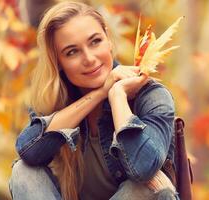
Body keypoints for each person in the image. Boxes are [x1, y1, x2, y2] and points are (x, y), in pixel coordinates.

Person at [9, 1, 177, 200]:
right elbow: (29, 151)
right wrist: (99, 93)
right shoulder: (54, 100)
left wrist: (117, 96)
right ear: (58, 61)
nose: (89, 58)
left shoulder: (151, 96)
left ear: (108, 40)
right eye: (72, 52)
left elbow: (144, 168)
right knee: (23, 172)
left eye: (95, 41)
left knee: (146, 187)